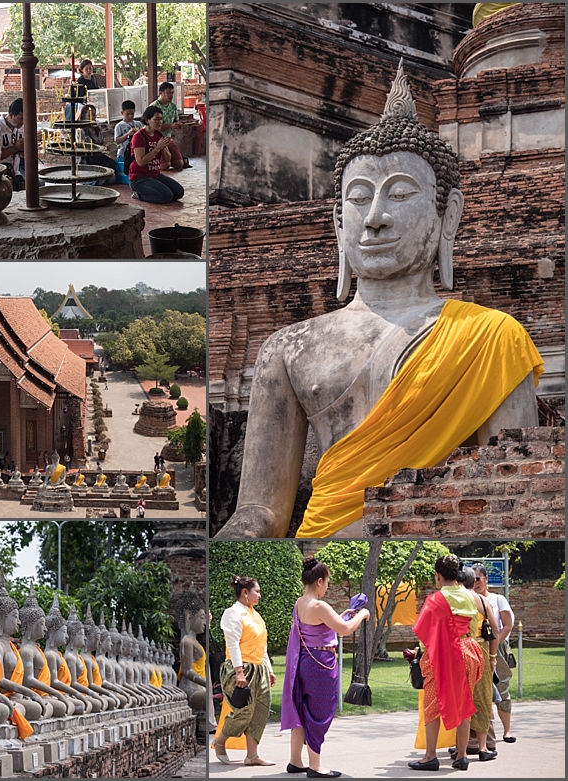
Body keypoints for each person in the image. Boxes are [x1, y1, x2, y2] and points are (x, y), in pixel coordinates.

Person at [215, 62, 543, 540]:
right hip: (317, 548)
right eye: (358, 197)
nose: (374, 218)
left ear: (448, 216)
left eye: (400, 194)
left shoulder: (492, 338)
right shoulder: (287, 349)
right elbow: (260, 510)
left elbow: (512, 495)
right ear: (337, 223)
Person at [282, 557, 370, 778]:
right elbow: (345, 630)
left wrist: (343, 616)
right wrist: (361, 615)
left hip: (304, 661)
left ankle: (295, 761)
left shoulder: (299, 603)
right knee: (318, 714)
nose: (328, 587)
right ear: (319, 581)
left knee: (302, 710)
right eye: (327, 582)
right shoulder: (319, 605)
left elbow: (320, 626)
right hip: (320, 664)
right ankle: (315, 766)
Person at [408, 555, 484, 772]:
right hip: (468, 650)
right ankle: (462, 756)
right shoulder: (470, 596)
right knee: (464, 702)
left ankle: (430, 756)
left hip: (441, 654)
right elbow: (473, 627)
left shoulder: (435, 600)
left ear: (438, 576)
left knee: (432, 703)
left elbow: (423, 633)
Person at [213, 576, 275, 767]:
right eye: (257, 591)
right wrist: (239, 672)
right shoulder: (233, 613)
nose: (260, 595)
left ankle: (252, 756)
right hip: (240, 668)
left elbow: (262, 646)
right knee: (244, 711)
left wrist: (269, 670)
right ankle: (220, 741)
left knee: (260, 711)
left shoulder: (255, 615)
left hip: (259, 668)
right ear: (245, 592)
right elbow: (232, 644)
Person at [451, 566, 498, 762]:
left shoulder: (456, 599)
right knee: (483, 697)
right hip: (482, 650)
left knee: (461, 699)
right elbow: (494, 629)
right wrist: (493, 656)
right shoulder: (483, 601)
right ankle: (483, 747)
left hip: (461, 648)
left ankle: (460, 748)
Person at [472, 562, 516, 744]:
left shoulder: (498, 599)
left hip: (497, 649)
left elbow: (507, 625)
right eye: (472, 579)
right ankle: (479, 737)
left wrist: (495, 644)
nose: (475, 583)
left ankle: (507, 730)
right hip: (477, 649)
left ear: (486, 579)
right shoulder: (469, 599)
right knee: (479, 692)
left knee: (502, 688)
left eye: (478, 579)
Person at [129, 106, 185, 204]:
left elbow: (167, 158)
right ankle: (139, 195)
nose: (160, 122)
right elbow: (141, 161)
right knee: (166, 196)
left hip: (155, 174)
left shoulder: (158, 134)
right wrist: (157, 148)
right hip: (139, 178)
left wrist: (163, 147)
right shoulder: (139, 136)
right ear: (147, 120)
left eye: (161, 119)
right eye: (156, 119)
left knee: (179, 192)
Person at [0, 98, 25, 190]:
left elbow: (23, 154)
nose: (23, 122)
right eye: (20, 118)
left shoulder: (21, 127)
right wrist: (15, 147)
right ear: (11, 115)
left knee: (37, 183)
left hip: (16, 170)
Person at [149, 82, 185, 171]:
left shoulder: (173, 106)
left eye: (172, 93)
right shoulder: (154, 107)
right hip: (156, 140)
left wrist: (178, 124)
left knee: (179, 164)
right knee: (165, 166)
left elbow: (176, 120)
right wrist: (171, 126)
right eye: (168, 93)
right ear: (161, 93)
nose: (171, 95)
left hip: (168, 139)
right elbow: (152, 127)